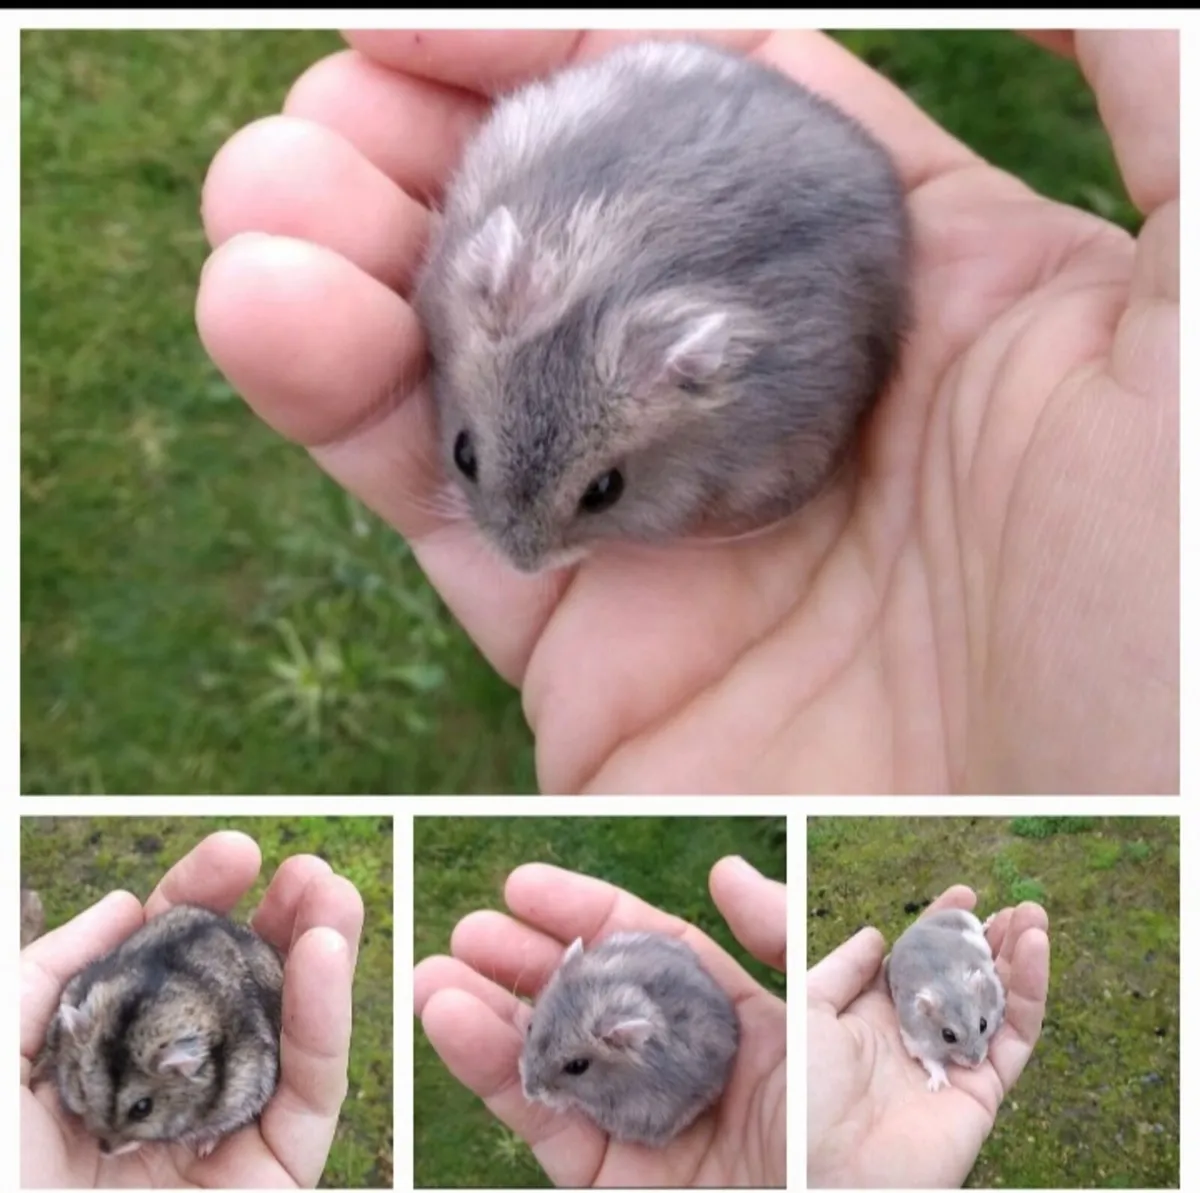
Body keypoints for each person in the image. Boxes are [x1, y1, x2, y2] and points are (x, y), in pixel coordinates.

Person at [195, 29, 1178, 795]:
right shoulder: (485, 279)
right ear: (475, 294)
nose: (522, 550)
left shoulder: (726, 386)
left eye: (603, 489)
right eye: (467, 453)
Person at [413, 857, 787, 1186]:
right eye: (532, 1028)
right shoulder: (584, 980)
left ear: (623, 1040)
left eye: (575, 1066)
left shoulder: (648, 1069)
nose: (531, 1084)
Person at [20, 831, 364, 1189]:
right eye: (86, 1089)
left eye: (141, 1109)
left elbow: (249, 1071)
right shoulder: (85, 1013)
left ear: (184, 1070)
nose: (104, 1141)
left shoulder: (223, 1070)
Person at [807, 886, 1050, 1188]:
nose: (976, 1057)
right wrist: (935, 1069)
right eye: (950, 1037)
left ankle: (979, 928)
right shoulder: (920, 1013)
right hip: (919, 958)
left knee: (972, 932)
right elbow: (917, 1047)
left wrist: (987, 1022)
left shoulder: (981, 985)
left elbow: (989, 985)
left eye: (983, 1026)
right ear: (926, 1013)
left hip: (949, 945)